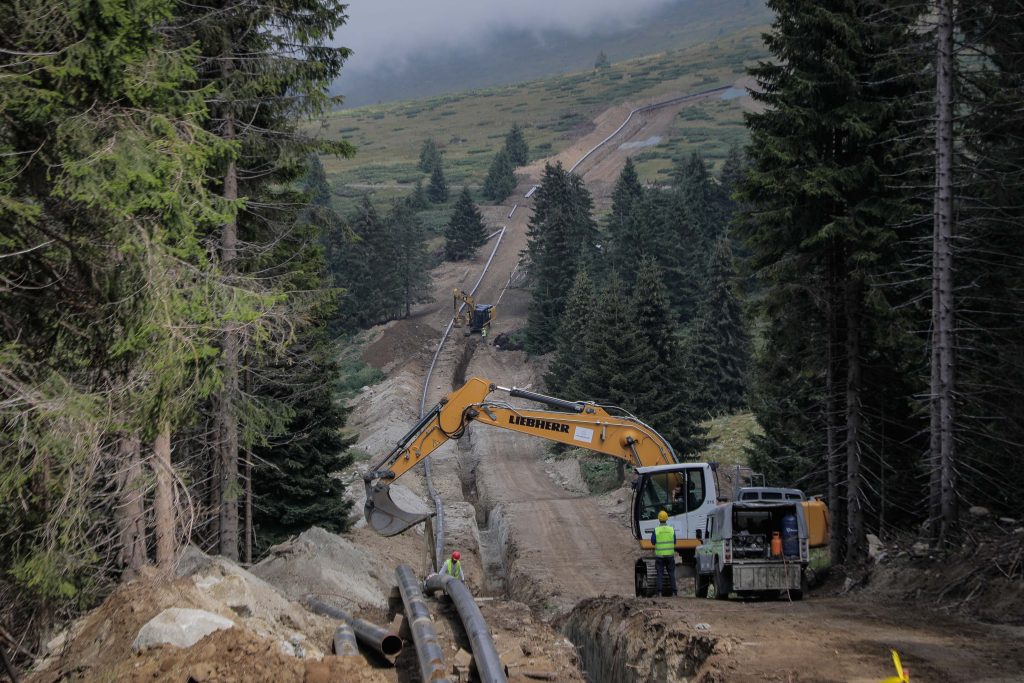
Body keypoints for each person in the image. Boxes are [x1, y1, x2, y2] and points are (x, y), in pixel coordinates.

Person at [650, 510, 677, 596]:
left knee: (660, 574)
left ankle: (659, 592)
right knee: (671, 573)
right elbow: (675, 541)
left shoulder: (656, 530)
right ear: (667, 519)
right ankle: (674, 592)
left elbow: (653, 542)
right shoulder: (671, 529)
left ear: (659, 519)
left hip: (660, 556)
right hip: (670, 555)